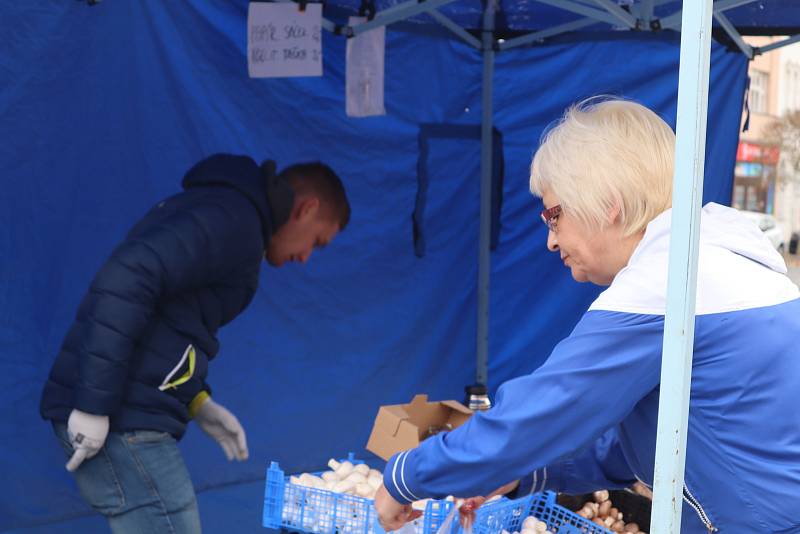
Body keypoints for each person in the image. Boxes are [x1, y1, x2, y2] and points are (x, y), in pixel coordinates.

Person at [374, 99, 800, 533]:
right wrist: (527, 473)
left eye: (553, 216)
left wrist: (407, 476)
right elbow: (658, 441)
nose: (550, 241)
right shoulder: (720, 262)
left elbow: (544, 411)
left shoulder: (668, 281)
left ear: (607, 203)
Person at [40, 153, 350, 533]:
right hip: (122, 416)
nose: (305, 257)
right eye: (316, 242)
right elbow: (126, 279)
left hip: (126, 406)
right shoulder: (233, 219)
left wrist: (197, 401)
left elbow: (170, 326)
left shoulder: (227, 213)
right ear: (307, 208)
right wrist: (92, 406)